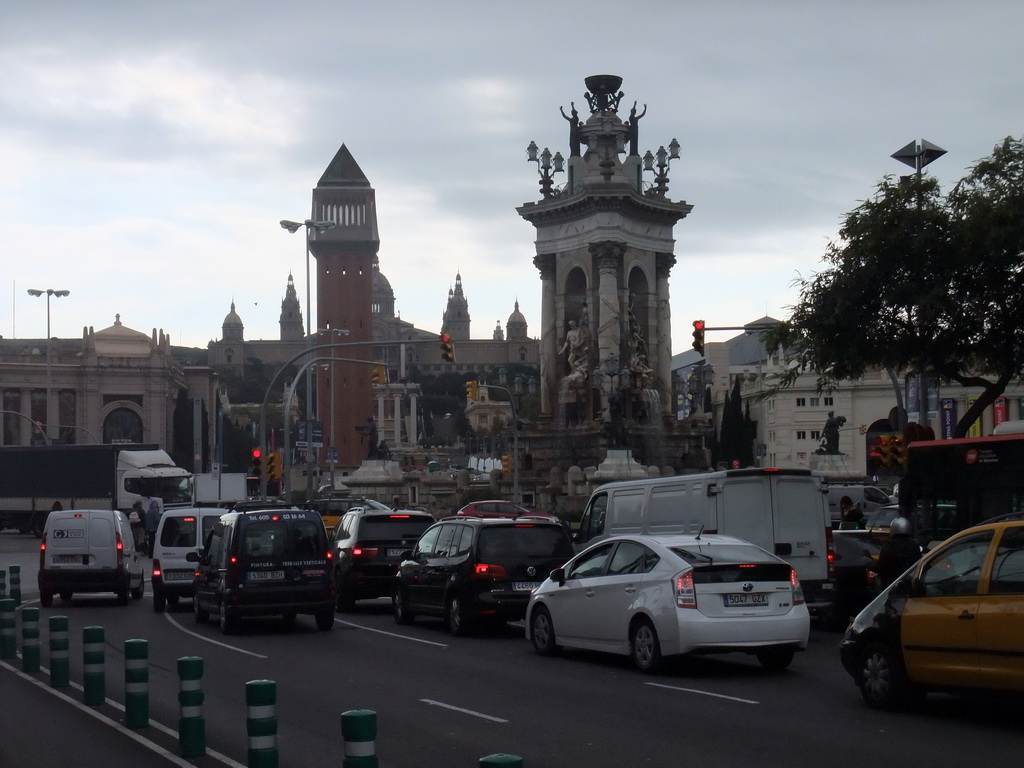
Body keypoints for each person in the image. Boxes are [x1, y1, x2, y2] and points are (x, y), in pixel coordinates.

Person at [874, 516, 921, 589]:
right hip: (910, 584)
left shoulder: (889, 546)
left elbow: (882, 565)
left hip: (891, 585)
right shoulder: (914, 545)